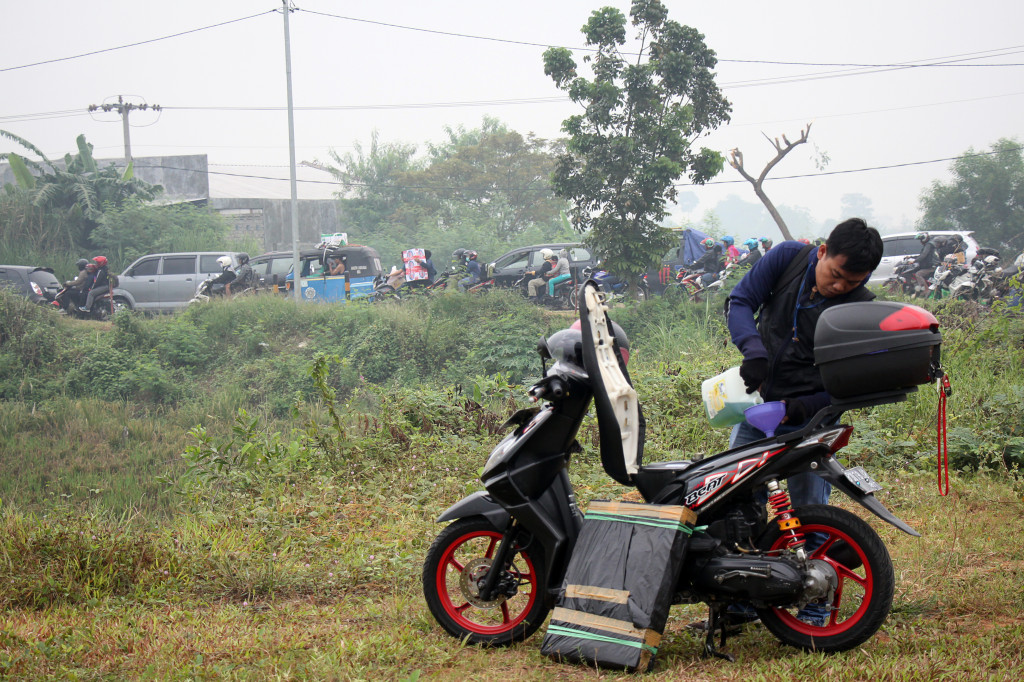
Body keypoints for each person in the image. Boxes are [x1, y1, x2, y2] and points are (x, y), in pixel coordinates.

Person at [723, 217, 882, 625]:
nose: (840, 287)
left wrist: (802, 406)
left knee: (810, 509)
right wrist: (753, 350)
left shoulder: (860, 308)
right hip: (761, 408)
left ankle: (815, 603)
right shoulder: (787, 258)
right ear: (822, 251)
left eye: (853, 282)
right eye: (836, 275)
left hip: (813, 418)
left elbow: (852, 383)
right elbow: (740, 301)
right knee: (737, 496)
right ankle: (744, 598)